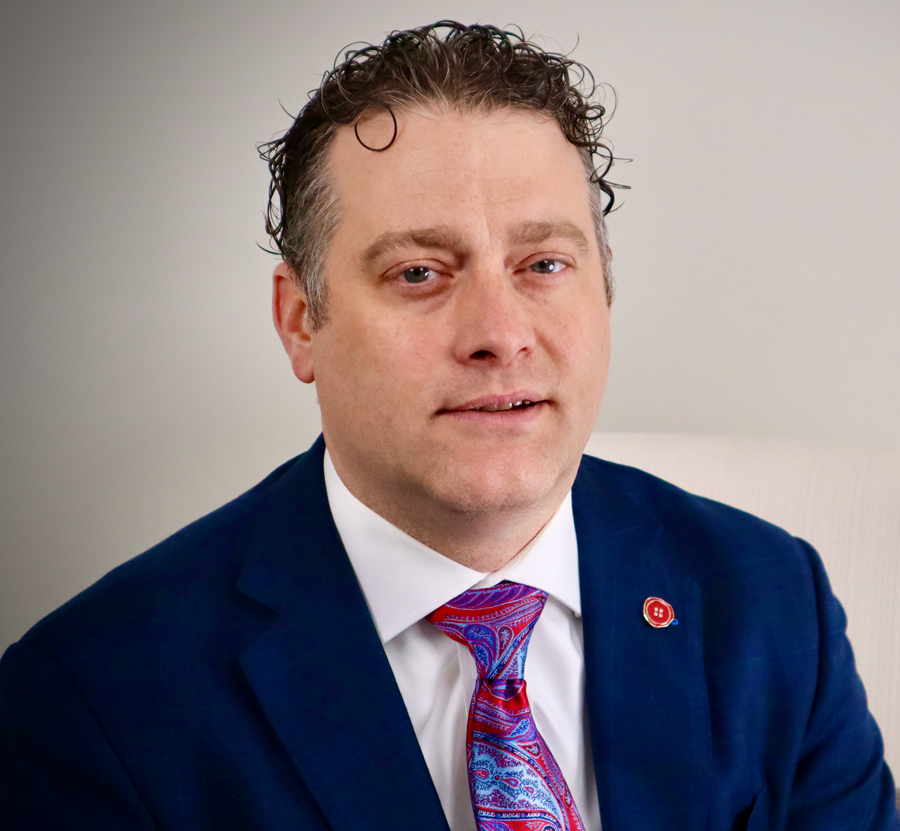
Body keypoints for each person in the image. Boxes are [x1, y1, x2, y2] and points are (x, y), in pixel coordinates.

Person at [0, 21, 896, 831]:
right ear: (301, 320)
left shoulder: (774, 603)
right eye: (421, 273)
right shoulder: (91, 699)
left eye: (543, 262)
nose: (500, 334)